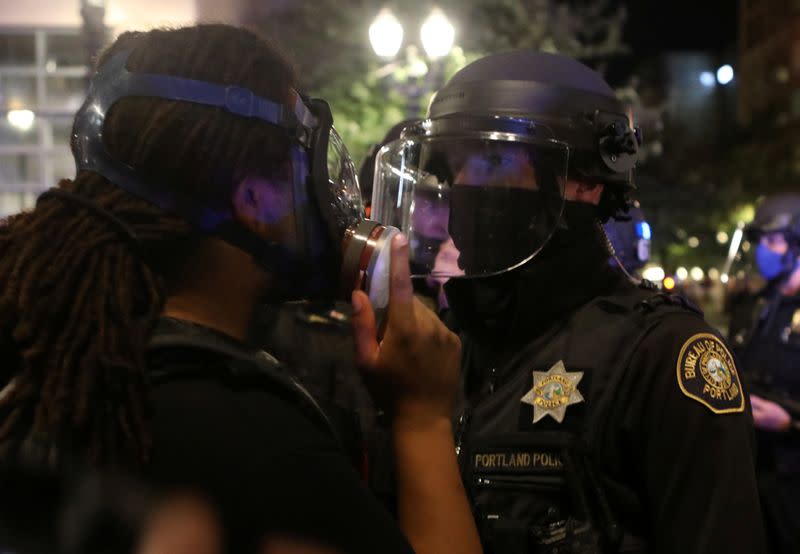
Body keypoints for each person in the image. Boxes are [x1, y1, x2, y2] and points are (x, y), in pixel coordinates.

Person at [0, 25, 481, 554]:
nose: (328, 193)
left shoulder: (71, 364)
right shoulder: (254, 443)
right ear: (255, 199)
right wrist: (423, 420)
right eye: (304, 163)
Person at [369, 50, 766, 553]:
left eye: (491, 160)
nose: (464, 189)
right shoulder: (446, 348)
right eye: (453, 171)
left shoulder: (663, 358)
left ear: (584, 181)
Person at [728, 193, 800, 553]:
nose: (764, 252)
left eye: (773, 241)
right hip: (751, 476)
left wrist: (791, 423)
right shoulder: (755, 306)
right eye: (761, 242)